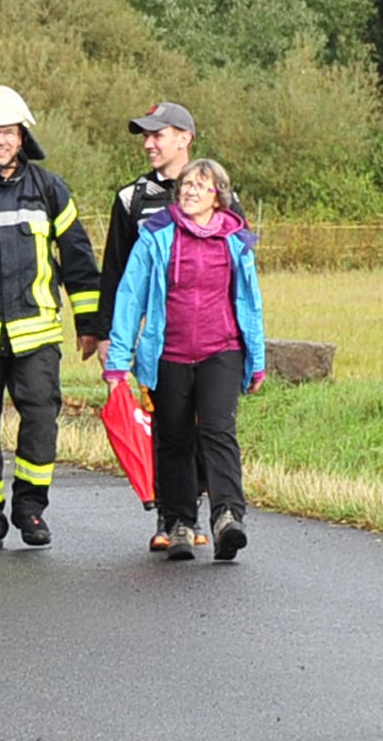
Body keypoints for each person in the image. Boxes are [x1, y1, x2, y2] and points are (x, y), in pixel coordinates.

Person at [0, 85, 101, 550]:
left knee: (40, 421)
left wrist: (91, 325)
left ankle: (31, 510)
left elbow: (77, 257)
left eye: (8, 132)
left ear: (22, 137)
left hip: (36, 333)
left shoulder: (49, 189)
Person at [97, 102, 245, 551]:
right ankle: (172, 520)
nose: (149, 144)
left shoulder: (222, 196)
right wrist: (106, 335)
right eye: (146, 136)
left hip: (216, 340)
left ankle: (215, 515)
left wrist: (248, 346)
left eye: (157, 135)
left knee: (213, 428)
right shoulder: (131, 198)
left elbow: (240, 276)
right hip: (157, 343)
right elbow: (117, 275)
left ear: (184, 138)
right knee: (171, 430)